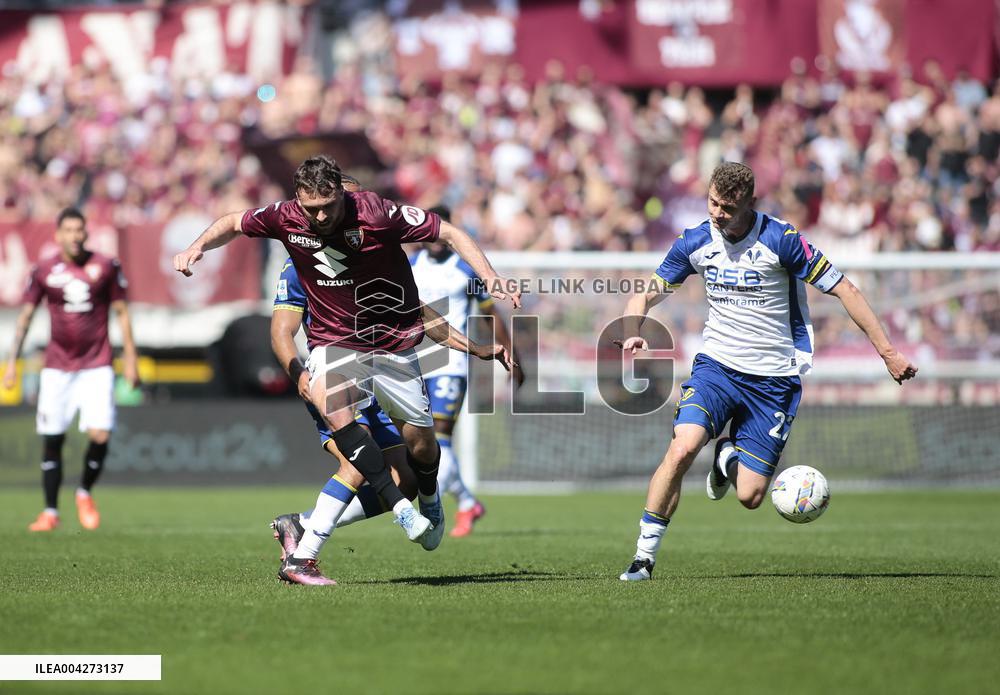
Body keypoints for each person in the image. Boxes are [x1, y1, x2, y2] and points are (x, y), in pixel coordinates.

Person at [173, 155, 519, 585]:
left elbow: (429, 283)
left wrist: (485, 295)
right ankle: (315, 552)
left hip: (393, 351)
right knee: (350, 442)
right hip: (335, 347)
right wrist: (196, 247)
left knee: (420, 455)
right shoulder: (293, 242)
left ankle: (419, 501)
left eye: (332, 205)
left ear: (347, 196)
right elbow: (277, 320)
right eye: (311, 207)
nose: (320, 216)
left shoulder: (380, 218)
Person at [617, 162, 917, 581]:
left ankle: (727, 456)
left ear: (750, 204)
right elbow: (644, 294)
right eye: (713, 202)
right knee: (682, 448)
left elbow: (845, 288)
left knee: (752, 496)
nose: (718, 213)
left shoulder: (783, 241)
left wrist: (888, 353)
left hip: (773, 380)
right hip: (716, 368)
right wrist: (633, 329)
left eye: (728, 207)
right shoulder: (696, 241)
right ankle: (643, 559)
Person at [269, 256, 515, 582]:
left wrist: (473, 348)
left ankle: (301, 524)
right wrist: (296, 370)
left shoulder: (375, 250)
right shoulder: (301, 261)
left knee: (407, 480)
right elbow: (281, 329)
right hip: (334, 369)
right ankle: (303, 558)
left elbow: (419, 312)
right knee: (357, 464)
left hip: (381, 373)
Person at [3, 207, 139, 532]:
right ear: (58, 235)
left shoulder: (106, 266)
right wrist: (12, 363)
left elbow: (121, 312)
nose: (75, 236)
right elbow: (24, 318)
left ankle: (84, 492)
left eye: (80, 230)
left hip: (97, 363)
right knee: (53, 439)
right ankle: (50, 512)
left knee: (100, 433)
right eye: (69, 230)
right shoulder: (44, 271)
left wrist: (131, 359)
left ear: (86, 233)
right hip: (57, 367)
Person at [410, 205, 524, 537]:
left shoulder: (466, 270)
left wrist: (512, 355)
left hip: (451, 362)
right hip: (413, 362)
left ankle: (434, 510)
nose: (433, 238)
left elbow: (491, 315)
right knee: (420, 443)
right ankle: (466, 501)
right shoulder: (409, 266)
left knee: (441, 439)